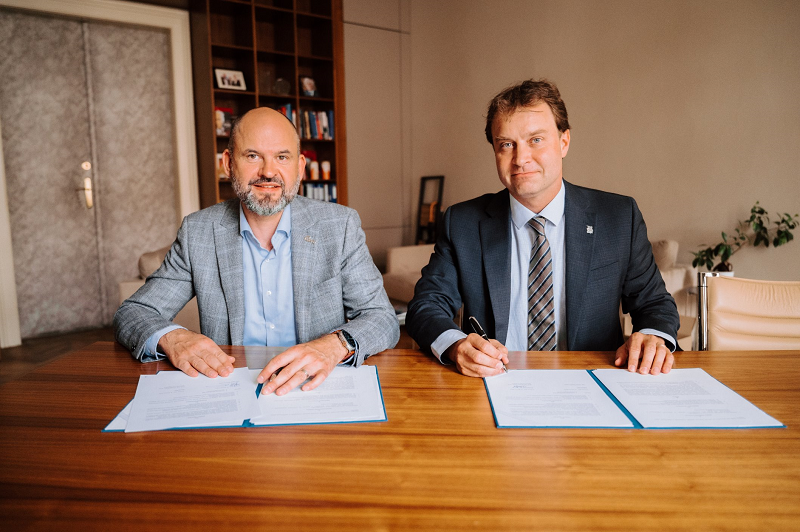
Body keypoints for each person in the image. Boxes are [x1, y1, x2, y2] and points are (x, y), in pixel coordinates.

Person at [406, 79, 679, 378]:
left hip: (592, 379)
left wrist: (652, 338)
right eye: (506, 144)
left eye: (535, 140)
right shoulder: (463, 223)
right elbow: (426, 306)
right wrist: (456, 346)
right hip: (495, 382)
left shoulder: (618, 217)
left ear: (564, 142)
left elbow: (654, 304)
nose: (520, 159)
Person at [115, 107, 399, 395]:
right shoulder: (198, 232)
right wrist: (174, 338)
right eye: (252, 156)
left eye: (282, 157)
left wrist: (334, 346)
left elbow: (382, 318)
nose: (268, 172)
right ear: (228, 164)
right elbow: (135, 312)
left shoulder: (339, 226)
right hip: (229, 390)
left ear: (300, 167)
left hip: (313, 390)